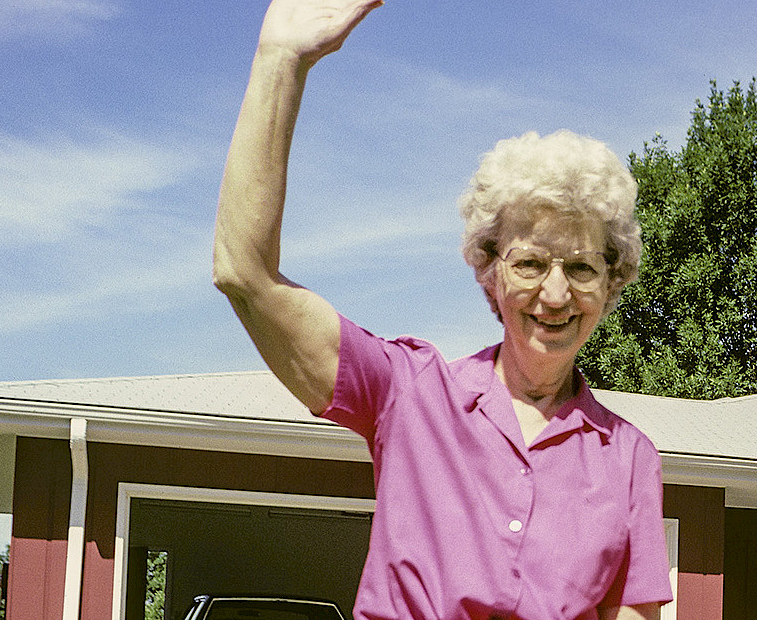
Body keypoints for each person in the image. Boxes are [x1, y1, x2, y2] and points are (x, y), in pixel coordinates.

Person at [211, 1, 671, 618]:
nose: (556, 294)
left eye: (583, 268)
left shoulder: (628, 457)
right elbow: (245, 275)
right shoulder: (410, 393)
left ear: (611, 284)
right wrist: (280, 61)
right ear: (490, 271)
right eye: (531, 263)